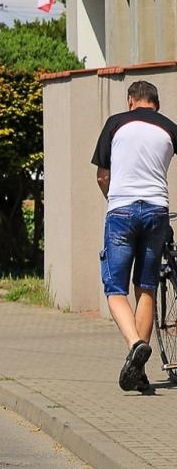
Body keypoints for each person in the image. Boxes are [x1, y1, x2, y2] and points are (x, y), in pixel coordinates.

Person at [92, 79, 177, 394]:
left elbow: (102, 175)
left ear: (131, 101)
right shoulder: (170, 128)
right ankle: (138, 371)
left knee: (115, 288)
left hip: (122, 212)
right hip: (157, 211)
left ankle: (136, 344)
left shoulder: (115, 124)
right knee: (147, 288)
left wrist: (114, 199)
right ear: (156, 103)